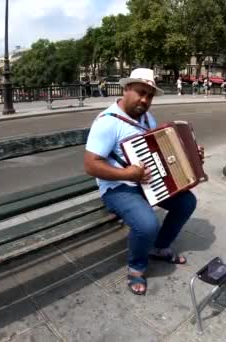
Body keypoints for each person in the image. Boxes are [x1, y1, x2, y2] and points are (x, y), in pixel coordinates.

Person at [84, 68, 203, 296]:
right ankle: (136, 267)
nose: (145, 100)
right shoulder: (108, 122)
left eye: (150, 95)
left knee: (187, 202)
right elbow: (90, 165)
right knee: (147, 224)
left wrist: (191, 157)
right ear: (126, 89)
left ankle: (159, 247)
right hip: (117, 186)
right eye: (140, 92)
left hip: (146, 180)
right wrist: (129, 174)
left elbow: (160, 153)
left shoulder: (148, 118)